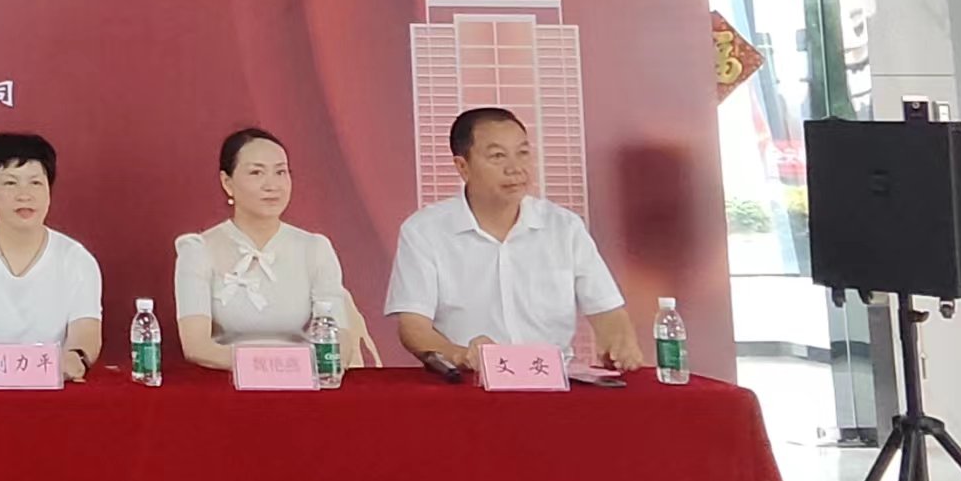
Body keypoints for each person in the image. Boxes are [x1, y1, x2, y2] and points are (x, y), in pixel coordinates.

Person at [385, 107, 645, 371]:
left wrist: (619, 344)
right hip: (468, 381)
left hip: (552, 380)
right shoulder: (424, 230)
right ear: (463, 167)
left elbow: (607, 311)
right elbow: (413, 327)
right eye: (498, 156)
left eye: (522, 153)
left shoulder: (564, 227)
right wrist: (460, 355)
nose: (515, 169)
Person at [173, 128, 382, 371]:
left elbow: (340, 342)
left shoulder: (314, 248)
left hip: (302, 381)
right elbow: (196, 347)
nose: (272, 185)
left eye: (281, 172)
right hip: (228, 382)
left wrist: (295, 369)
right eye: (256, 172)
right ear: (227, 183)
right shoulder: (198, 250)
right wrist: (267, 368)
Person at [0, 132, 102, 382]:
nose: (24, 195)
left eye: (35, 183)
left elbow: (86, 335)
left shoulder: (77, 261)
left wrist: (74, 360)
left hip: (56, 390)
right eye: (10, 183)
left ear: (49, 192)